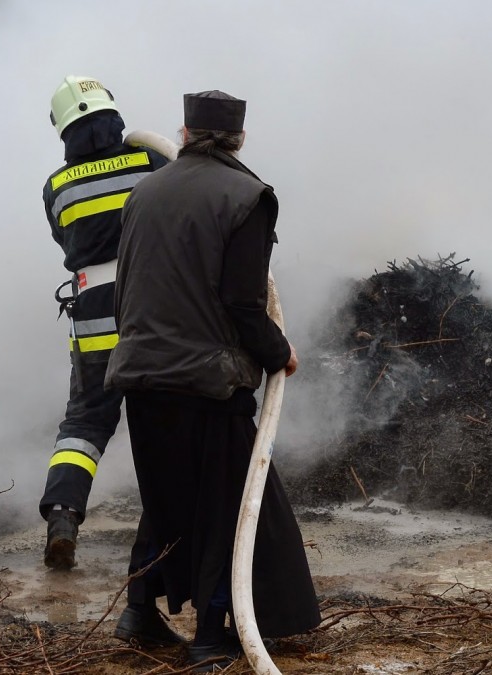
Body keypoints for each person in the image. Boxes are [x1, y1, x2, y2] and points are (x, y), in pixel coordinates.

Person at [105, 90, 321, 670]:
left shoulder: (145, 190)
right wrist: (279, 353)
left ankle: (139, 613)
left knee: (164, 492)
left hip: (140, 372)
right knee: (221, 503)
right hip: (207, 382)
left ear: (184, 131)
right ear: (240, 139)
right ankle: (208, 637)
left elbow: (126, 285)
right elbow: (244, 303)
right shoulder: (248, 196)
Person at [39, 75, 182, 647]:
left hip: (94, 316)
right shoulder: (150, 157)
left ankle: (63, 515)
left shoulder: (55, 185)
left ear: (64, 128)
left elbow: (64, 241)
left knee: (86, 422)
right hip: (152, 310)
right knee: (160, 420)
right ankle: (166, 539)